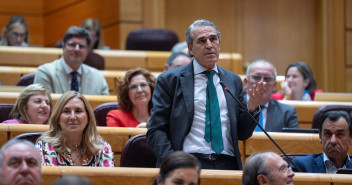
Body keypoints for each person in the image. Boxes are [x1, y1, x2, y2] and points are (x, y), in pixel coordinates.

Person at [147, 19, 266, 170]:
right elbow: (156, 129)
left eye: (213, 39)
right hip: (187, 163)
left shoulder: (233, 80)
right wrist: (172, 163)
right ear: (190, 49)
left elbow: (242, 134)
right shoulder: (170, 80)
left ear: (219, 43)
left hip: (227, 164)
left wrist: (251, 109)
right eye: (202, 41)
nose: (209, 45)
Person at [36, 91, 115, 167]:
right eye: (66, 111)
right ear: (57, 119)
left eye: (78, 111)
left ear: (88, 118)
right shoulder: (44, 148)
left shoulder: (103, 148)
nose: (73, 117)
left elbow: (109, 180)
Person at [34, 26, 109, 95]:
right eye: (72, 44)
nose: (77, 49)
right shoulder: (45, 72)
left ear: (87, 50)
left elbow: (103, 108)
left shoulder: (98, 77)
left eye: (81, 46)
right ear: (63, 47)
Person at [243, 60, 299, 132]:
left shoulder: (287, 113)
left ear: (274, 85)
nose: (262, 83)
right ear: (246, 82)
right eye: (256, 77)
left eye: (267, 79)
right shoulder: (234, 108)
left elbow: (294, 142)